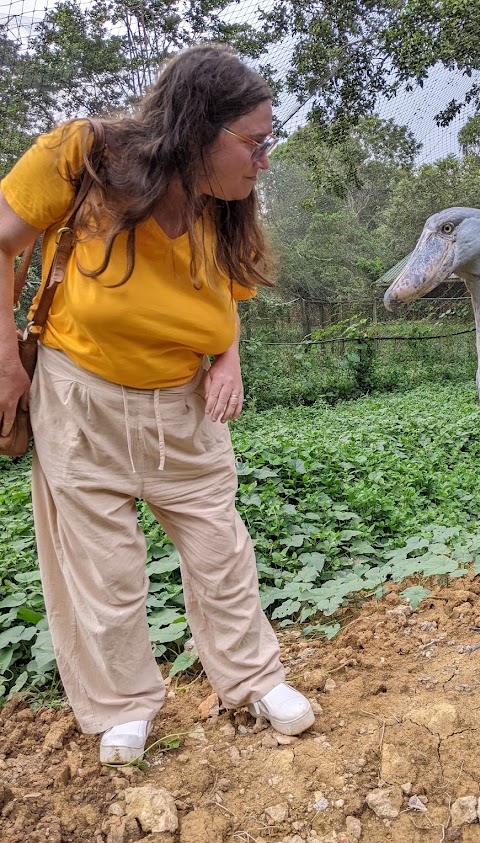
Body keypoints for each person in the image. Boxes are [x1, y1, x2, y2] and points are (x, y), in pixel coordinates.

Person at [0, 44, 315, 764]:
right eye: (255, 142)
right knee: (104, 568)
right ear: (199, 128)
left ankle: (254, 679)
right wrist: (4, 364)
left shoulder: (225, 205)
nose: (264, 159)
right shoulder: (83, 157)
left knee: (221, 549)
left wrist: (227, 359)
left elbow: (227, 300)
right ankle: (123, 707)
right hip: (81, 399)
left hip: (182, 407)